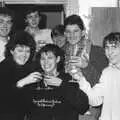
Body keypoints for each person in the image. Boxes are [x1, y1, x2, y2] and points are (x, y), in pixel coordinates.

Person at [19, 44, 89, 120]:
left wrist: (62, 85)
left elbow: (83, 107)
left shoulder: (69, 79)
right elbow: (17, 107)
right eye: (43, 58)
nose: (46, 62)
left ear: (58, 59)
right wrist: (21, 83)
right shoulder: (33, 80)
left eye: (50, 58)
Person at [64, 14, 108, 120]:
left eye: (76, 31)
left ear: (83, 32)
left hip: (90, 106)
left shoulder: (98, 52)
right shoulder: (62, 52)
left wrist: (86, 66)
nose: (72, 35)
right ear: (65, 33)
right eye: (68, 32)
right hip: (67, 104)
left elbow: (102, 83)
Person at [0, 30, 40, 120]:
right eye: (20, 50)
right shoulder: (3, 67)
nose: (24, 55)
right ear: (11, 51)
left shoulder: (30, 67)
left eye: (27, 51)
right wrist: (22, 82)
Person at [79, 32, 120, 120]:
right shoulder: (107, 72)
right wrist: (80, 78)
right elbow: (96, 100)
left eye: (114, 47)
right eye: (107, 48)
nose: (110, 52)